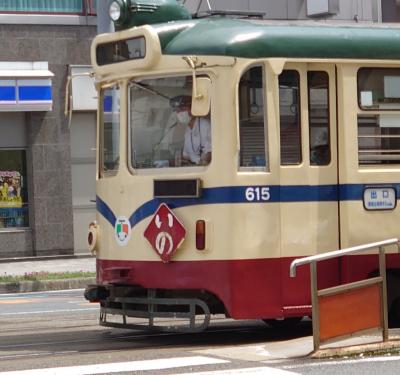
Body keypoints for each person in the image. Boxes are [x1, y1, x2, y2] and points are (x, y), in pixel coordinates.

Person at [170, 95, 211, 165]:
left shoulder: (205, 125)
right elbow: (185, 156)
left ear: (192, 109)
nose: (179, 113)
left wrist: (201, 161)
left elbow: (209, 153)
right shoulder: (187, 130)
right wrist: (168, 162)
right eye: (177, 111)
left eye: (182, 109)